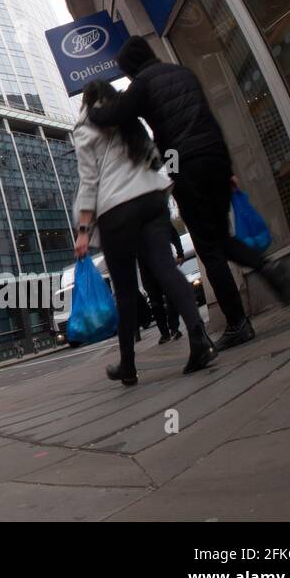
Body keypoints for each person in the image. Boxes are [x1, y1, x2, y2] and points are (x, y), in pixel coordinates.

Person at [89, 37, 290, 350]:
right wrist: (226, 170)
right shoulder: (183, 73)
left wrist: (93, 112)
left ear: (131, 69)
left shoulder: (143, 84)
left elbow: (117, 115)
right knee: (222, 238)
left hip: (188, 165)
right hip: (215, 157)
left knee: (209, 247)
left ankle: (238, 324)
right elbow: (209, 118)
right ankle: (265, 265)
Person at [73, 79, 216, 386]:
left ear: (85, 103)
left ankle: (128, 365)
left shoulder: (85, 130)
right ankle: (199, 337)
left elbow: (89, 183)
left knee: (125, 291)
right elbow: (154, 158)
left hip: (116, 210)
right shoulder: (129, 118)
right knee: (165, 269)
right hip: (151, 199)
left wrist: (83, 231)